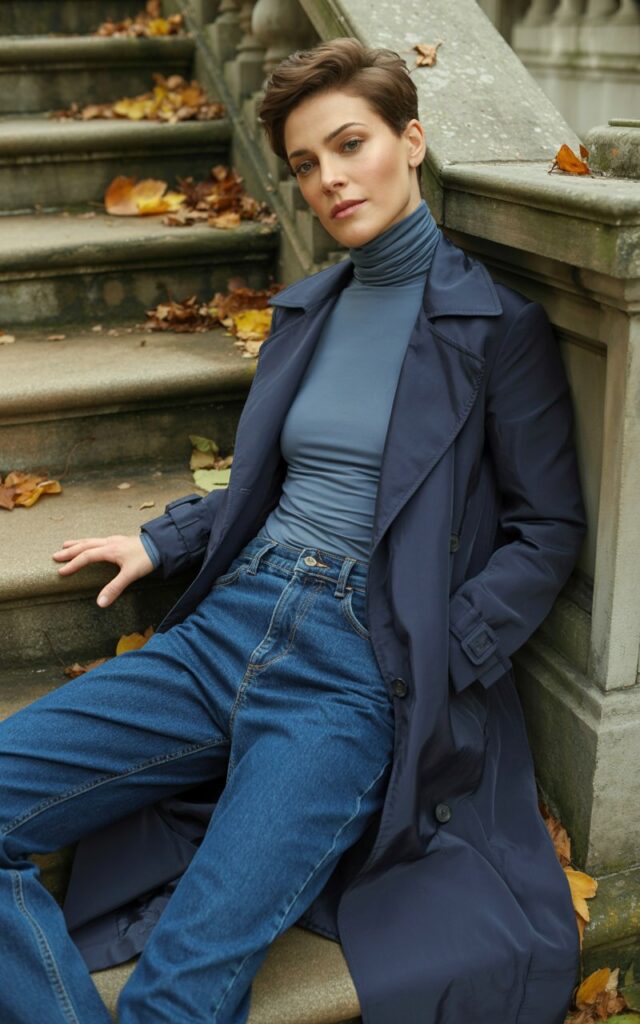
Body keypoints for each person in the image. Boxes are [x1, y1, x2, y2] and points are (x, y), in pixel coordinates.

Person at [0, 36, 586, 1024]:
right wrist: (168, 538)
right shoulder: (308, 310)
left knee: (189, 979)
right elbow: (274, 473)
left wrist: (445, 647)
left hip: (355, 669)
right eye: (306, 164)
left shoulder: (495, 329)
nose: (328, 179)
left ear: (411, 140)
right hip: (225, 626)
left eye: (349, 145)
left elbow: (548, 529)